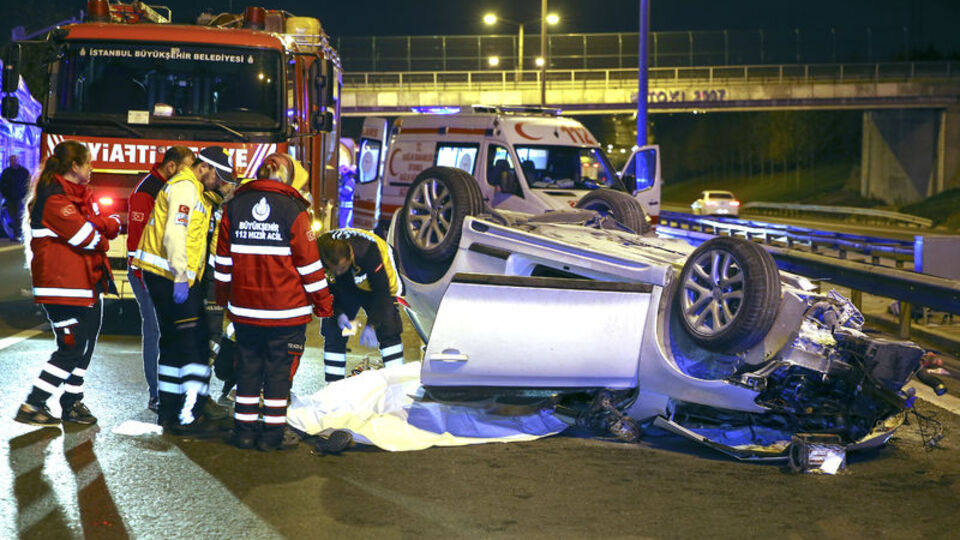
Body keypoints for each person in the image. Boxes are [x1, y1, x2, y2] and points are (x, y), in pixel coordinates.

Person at [214, 153, 333, 450]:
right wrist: (324, 304)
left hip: (244, 310)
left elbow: (224, 263)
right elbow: (309, 267)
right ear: (286, 176)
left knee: (248, 370)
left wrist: (224, 299)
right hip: (285, 312)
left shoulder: (234, 206)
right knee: (278, 375)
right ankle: (271, 436)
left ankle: (243, 431)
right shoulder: (294, 209)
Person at [130, 146, 235, 435]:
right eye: (218, 175)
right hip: (170, 278)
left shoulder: (193, 188)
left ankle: (170, 413)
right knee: (194, 346)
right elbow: (175, 233)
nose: (219, 181)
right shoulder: (186, 188)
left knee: (174, 346)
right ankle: (192, 414)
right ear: (205, 168)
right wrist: (179, 275)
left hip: (167, 277)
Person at [14, 140, 121, 427]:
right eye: (88, 163)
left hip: (85, 283)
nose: (92, 168)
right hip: (62, 289)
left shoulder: (78, 196)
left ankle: (72, 403)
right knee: (71, 349)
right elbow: (88, 238)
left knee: (84, 346)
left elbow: (94, 228)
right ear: (75, 167)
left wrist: (98, 224)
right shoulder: (56, 200)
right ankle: (33, 404)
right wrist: (102, 225)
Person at [126, 146, 195, 413]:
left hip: (166, 273)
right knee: (155, 331)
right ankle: (156, 394)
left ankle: (171, 389)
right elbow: (135, 243)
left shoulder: (174, 188)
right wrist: (145, 282)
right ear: (171, 167)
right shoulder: (148, 190)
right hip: (148, 275)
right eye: (187, 167)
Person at [316, 227, 404, 383]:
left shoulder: (368, 252)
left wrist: (372, 325)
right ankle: (332, 387)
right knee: (333, 329)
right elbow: (325, 291)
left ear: (350, 256)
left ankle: (396, 382)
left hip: (378, 274)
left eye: (342, 268)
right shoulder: (319, 251)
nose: (338, 272)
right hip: (347, 281)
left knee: (388, 324)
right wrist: (339, 313)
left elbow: (382, 292)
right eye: (333, 269)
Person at [0, 154, 31, 241]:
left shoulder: (24, 172)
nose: (13, 162)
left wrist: (26, 194)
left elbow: (28, 184)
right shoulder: (6, 172)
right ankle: (16, 233)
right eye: (12, 160)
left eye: (15, 160)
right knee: (12, 216)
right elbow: (2, 184)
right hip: (10, 198)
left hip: (21, 198)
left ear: (18, 161)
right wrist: (5, 194)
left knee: (19, 215)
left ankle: (20, 233)